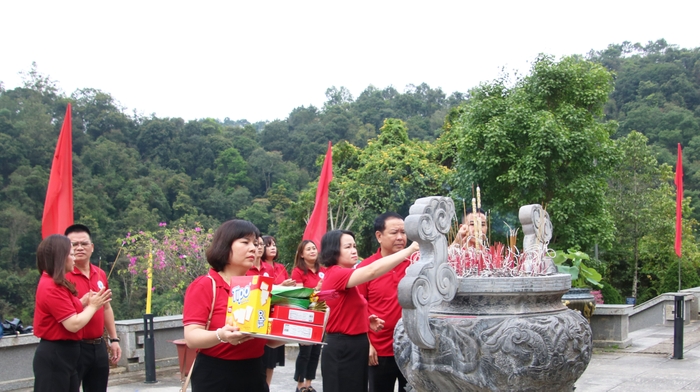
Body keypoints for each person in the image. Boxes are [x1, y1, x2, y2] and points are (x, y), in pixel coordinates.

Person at [183, 219, 283, 391]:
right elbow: (191, 338)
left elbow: (269, 341)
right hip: (216, 376)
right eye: (245, 242)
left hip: (255, 373)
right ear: (225, 245)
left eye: (256, 243)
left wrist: (301, 330)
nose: (253, 248)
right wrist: (221, 335)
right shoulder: (205, 285)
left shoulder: (259, 289)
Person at [320, 229, 419, 392]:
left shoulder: (347, 276)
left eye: (354, 246)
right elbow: (372, 270)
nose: (354, 250)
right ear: (333, 250)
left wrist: (365, 319)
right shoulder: (336, 274)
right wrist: (409, 250)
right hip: (343, 346)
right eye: (347, 247)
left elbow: (343, 308)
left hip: (354, 344)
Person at [33, 235, 111, 392]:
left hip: (68, 355)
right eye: (71, 254)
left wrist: (83, 302)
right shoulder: (52, 287)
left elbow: (67, 308)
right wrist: (94, 306)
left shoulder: (57, 282)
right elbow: (73, 324)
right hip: (56, 355)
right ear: (59, 257)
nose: (74, 258)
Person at [64, 224, 122, 392]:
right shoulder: (63, 276)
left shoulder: (100, 274)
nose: (80, 248)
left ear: (92, 247)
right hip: (74, 346)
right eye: (74, 245)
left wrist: (114, 339)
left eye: (84, 243)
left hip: (98, 345)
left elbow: (106, 308)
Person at [356, 212, 410, 392]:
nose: (401, 237)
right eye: (394, 233)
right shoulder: (367, 269)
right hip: (379, 350)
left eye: (404, 232)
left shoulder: (415, 264)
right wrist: (368, 343)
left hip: (411, 348)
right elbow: (357, 308)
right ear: (379, 236)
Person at [291, 240, 325, 392]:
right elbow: (299, 295)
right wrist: (315, 289)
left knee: (315, 351)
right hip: (304, 316)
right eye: (308, 249)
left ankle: (308, 384)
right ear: (302, 255)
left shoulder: (323, 270)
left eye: (314, 248)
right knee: (305, 352)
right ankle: (299, 385)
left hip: (320, 314)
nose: (312, 251)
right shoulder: (298, 271)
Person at [259, 235, 293, 386]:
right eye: (268, 245)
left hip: (278, 315)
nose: (272, 247)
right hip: (262, 316)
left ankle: (268, 386)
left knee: (271, 360)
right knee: (262, 358)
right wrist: (280, 288)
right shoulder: (258, 267)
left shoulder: (280, 268)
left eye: (274, 244)